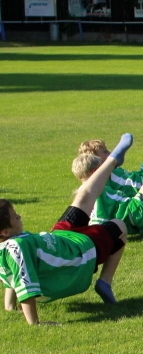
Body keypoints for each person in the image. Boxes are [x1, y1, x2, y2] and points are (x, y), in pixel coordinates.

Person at [2, 133, 132, 324]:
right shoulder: (15, 248)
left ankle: (111, 161)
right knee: (119, 226)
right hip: (78, 255)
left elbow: (10, 272)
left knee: (84, 197)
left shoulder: (9, 245)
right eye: (15, 217)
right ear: (4, 232)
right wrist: (35, 323)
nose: (19, 216)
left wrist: (9, 306)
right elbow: (23, 281)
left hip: (60, 238)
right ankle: (105, 282)